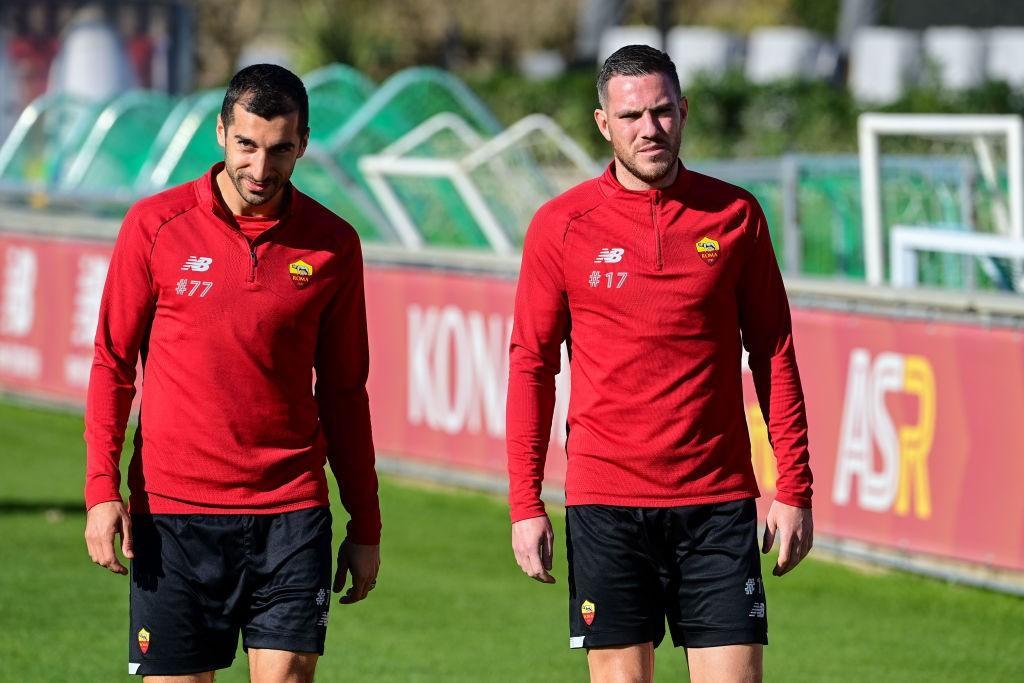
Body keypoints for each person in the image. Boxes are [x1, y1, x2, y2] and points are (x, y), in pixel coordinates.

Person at [507, 45, 813, 683]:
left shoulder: (735, 216)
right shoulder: (560, 226)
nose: (650, 129)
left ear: (684, 111)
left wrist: (794, 488)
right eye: (631, 117)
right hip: (606, 505)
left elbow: (775, 352)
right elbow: (532, 366)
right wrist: (524, 502)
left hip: (718, 504)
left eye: (663, 112)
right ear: (603, 123)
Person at [83, 64, 381, 683]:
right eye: (246, 145)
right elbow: (113, 363)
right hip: (174, 512)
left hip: (290, 511)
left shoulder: (333, 244)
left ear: (302, 144)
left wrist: (365, 521)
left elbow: (346, 392)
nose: (261, 168)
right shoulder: (155, 225)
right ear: (221, 133)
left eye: (279, 149)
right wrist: (100, 493)